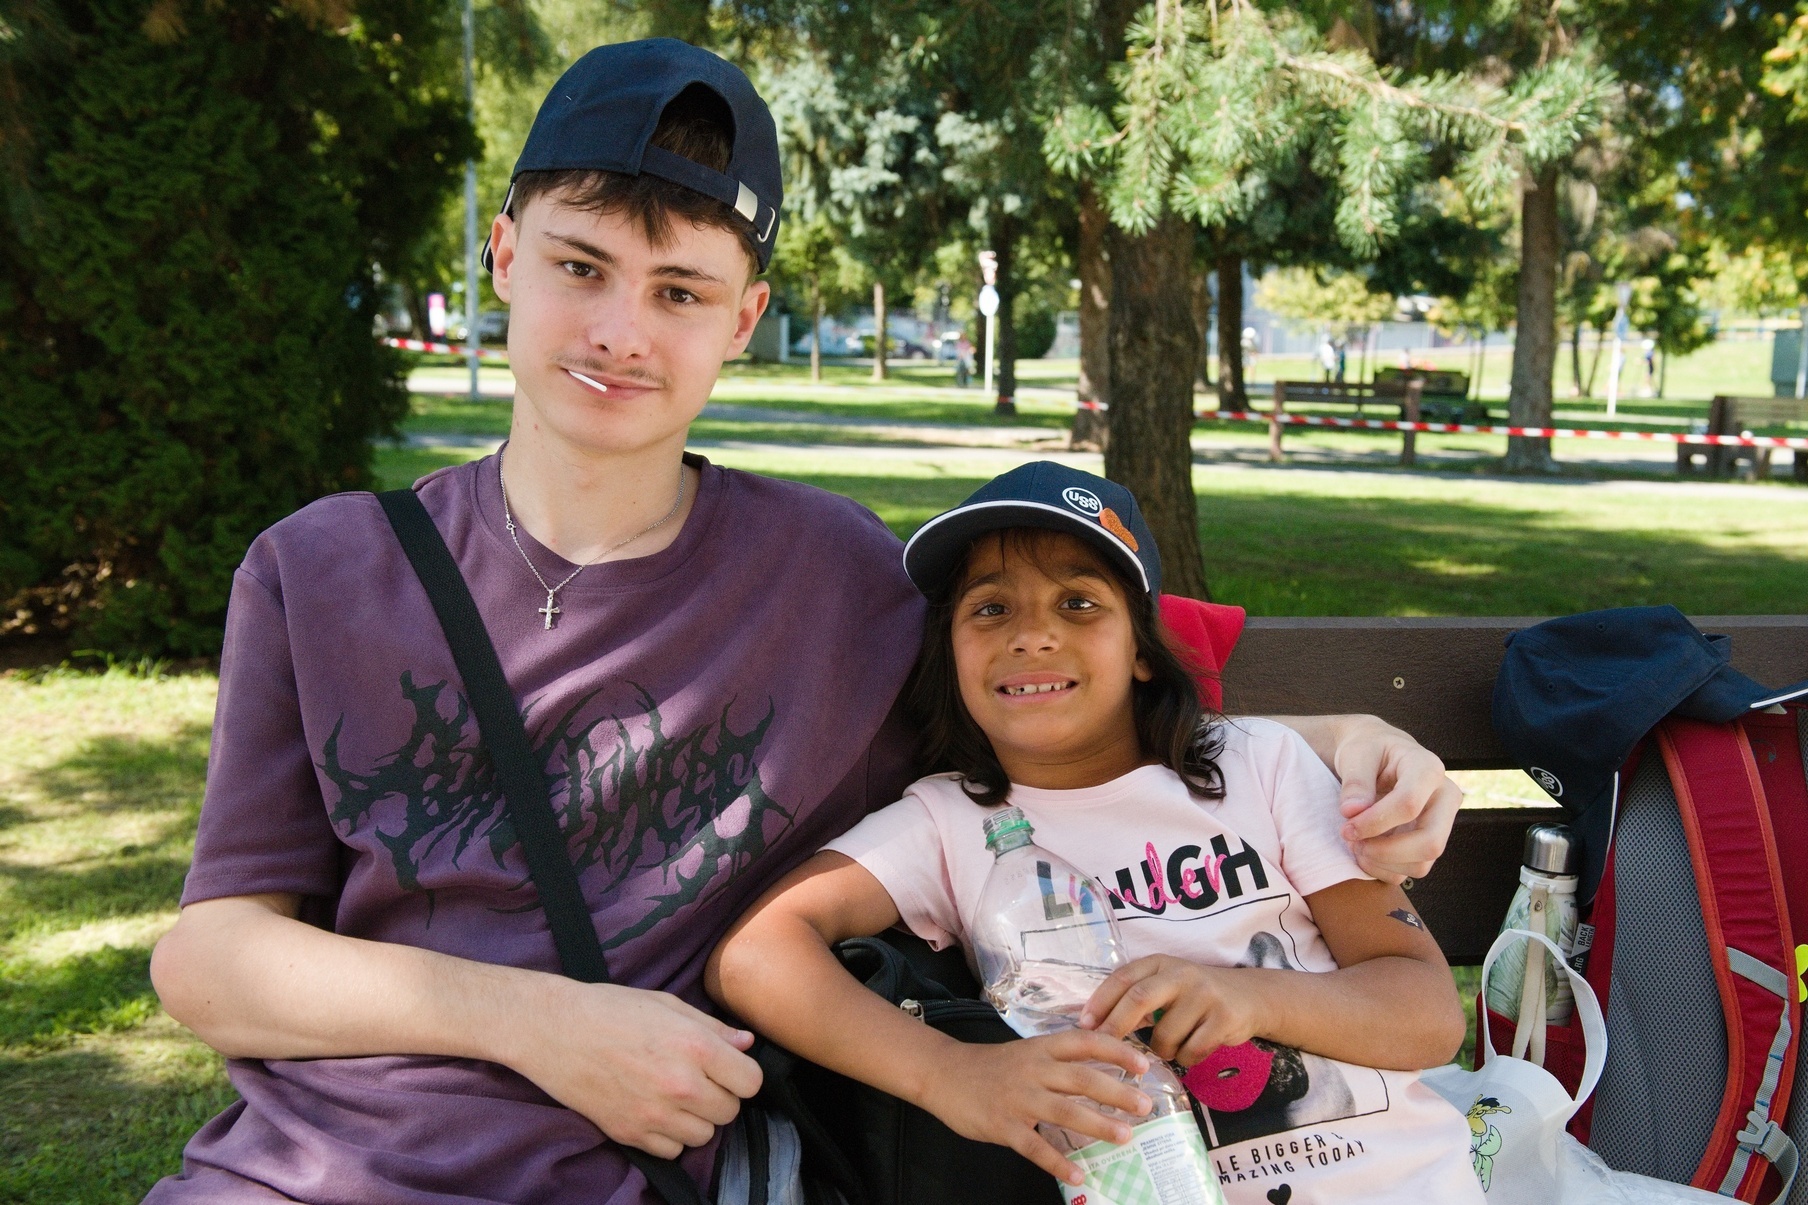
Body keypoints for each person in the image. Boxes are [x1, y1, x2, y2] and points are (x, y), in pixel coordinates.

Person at [148, 39, 1464, 1205]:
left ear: (743, 320)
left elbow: (1062, 686)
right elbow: (211, 958)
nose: (619, 330)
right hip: (307, 1165)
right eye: (579, 266)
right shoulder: (320, 569)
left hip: (637, 1170)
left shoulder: (832, 574)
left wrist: (1339, 735)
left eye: (679, 290)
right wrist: (536, 1021)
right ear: (502, 253)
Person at [710, 463, 1484, 1205]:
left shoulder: (1262, 765)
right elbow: (753, 954)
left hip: (1397, 1181)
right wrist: (947, 1074)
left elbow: (1426, 1013)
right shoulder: (949, 823)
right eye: (990, 608)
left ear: (1142, 649)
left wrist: (1253, 994)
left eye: (1078, 602)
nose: (1032, 635)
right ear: (950, 651)